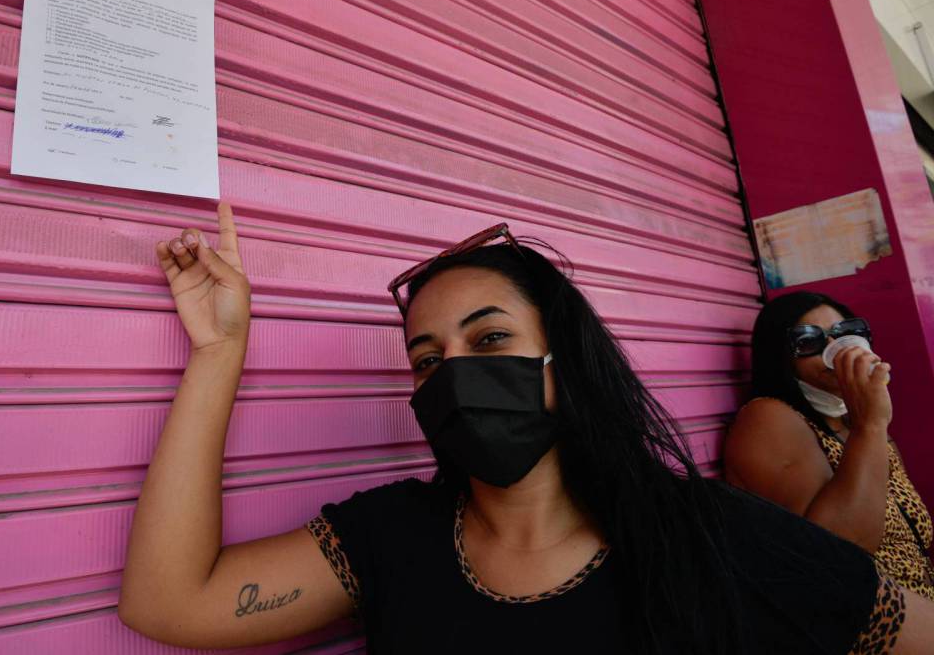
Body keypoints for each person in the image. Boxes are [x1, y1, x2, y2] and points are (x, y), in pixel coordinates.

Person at [119, 205, 934, 653]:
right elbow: (170, 604)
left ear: (566, 359)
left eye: (492, 340)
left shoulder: (709, 536)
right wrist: (219, 355)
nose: (456, 374)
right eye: (427, 359)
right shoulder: (389, 538)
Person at [725, 291, 934, 599]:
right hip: (866, 623)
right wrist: (871, 425)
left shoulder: (857, 424)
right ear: (780, 357)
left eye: (846, 334)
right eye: (808, 340)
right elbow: (840, 548)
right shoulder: (768, 417)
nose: (836, 349)